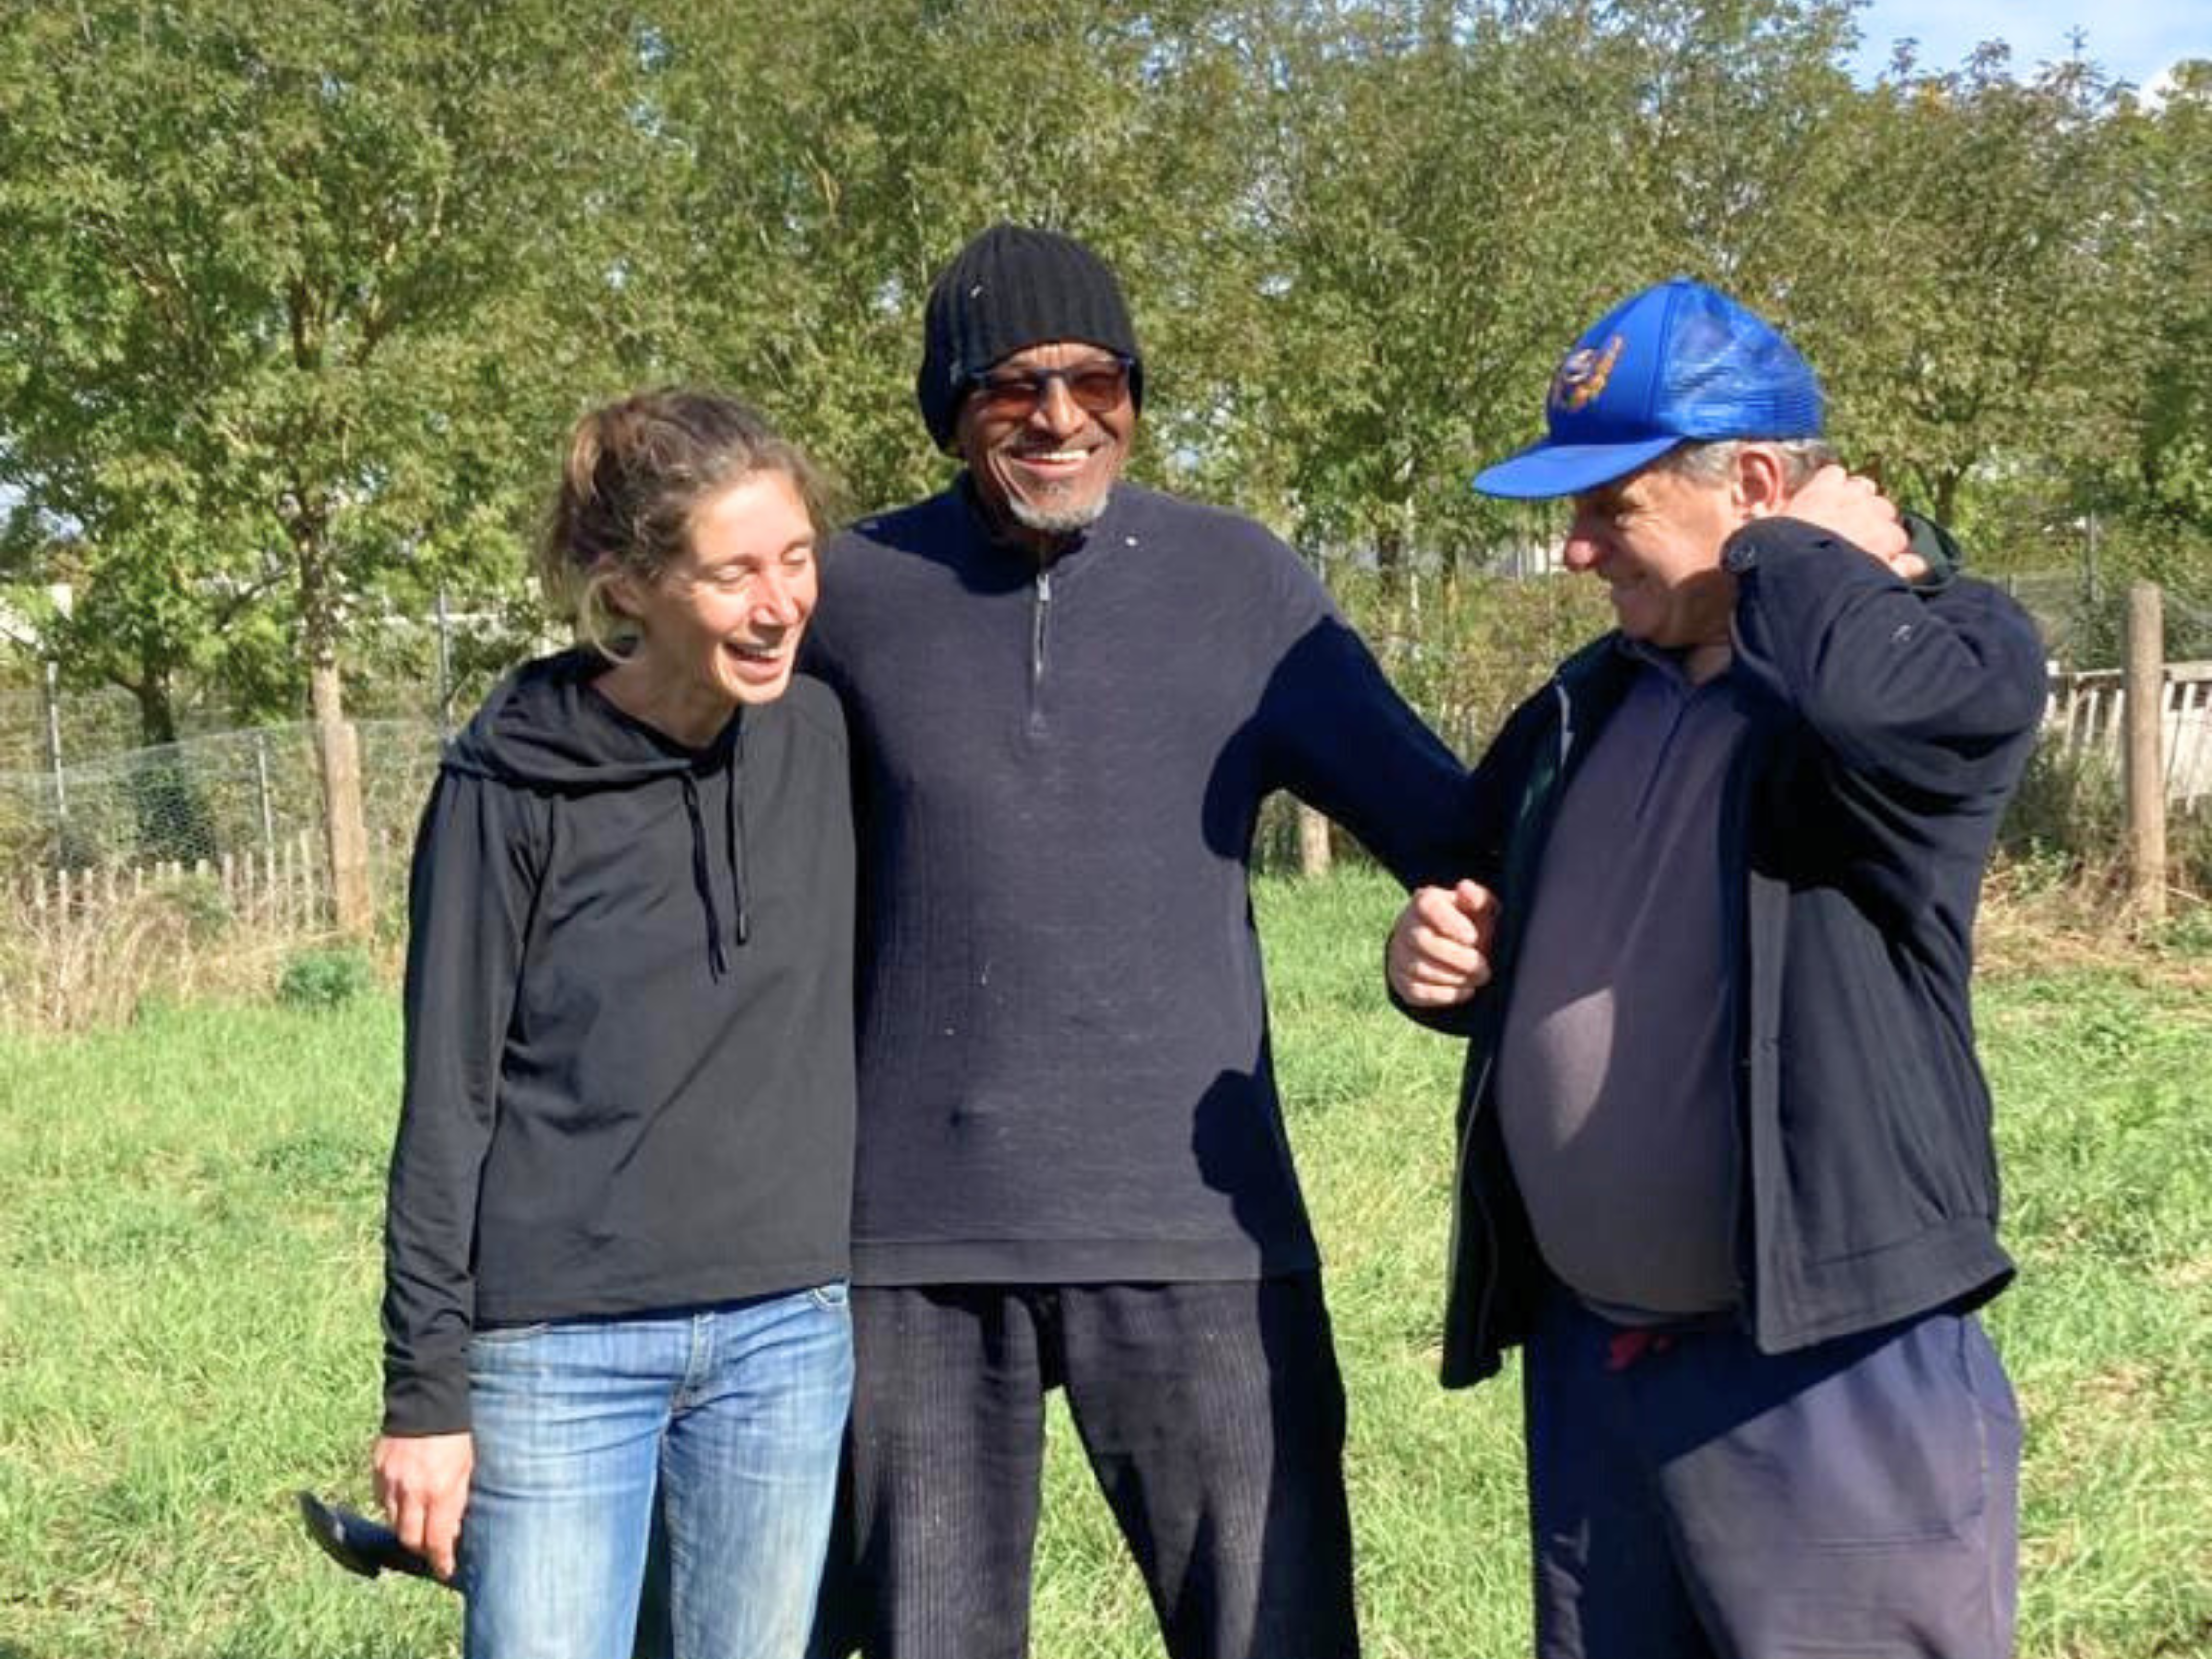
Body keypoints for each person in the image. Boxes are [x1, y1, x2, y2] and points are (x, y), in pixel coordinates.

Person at [799, 224, 1471, 1659]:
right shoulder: (846, 597)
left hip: (1198, 1232)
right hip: (909, 1238)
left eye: (1097, 379)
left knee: (1272, 1633)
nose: (1060, 418)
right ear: (948, 402)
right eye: (1011, 386)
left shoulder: (1242, 586)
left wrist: (1464, 950)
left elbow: (1456, 832)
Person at [1386, 279, 2045, 1659]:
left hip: (1825, 1378)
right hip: (1600, 1369)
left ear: (1753, 482)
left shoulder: (1945, 651)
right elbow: (1482, 892)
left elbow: (1888, 713)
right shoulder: (1591, 695)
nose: (1573, 552)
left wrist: (1802, 558)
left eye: (1609, 508)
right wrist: (1440, 958)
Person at [373, 389, 857, 1659]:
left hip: (785, 1336)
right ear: (627, 584)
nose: (779, 603)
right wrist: (426, 1397)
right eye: (733, 571)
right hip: (557, 1356)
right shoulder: (510, 780)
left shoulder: (823, 738)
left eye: (797, 559)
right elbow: (447, 1100)